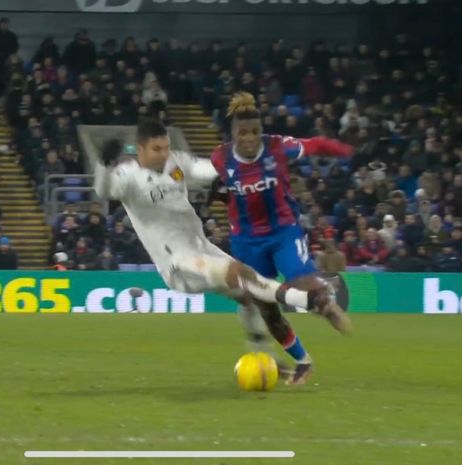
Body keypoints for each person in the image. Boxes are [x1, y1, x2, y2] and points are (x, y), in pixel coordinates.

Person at [94, 119, 340, 385]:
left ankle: (269, 359)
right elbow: (104, 190)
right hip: (178, 264)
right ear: (140, 149)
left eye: (166, 147)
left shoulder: (176, 163)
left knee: (251, 297)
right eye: (157, 149)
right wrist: (104, 165)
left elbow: (211, 169)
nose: (164, 154)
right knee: (239, 273)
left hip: (202, 248)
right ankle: (306, 300)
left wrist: (241, 171)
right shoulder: (127, 176)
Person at [210, 92, 353, 384]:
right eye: (243, 133)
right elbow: (215, 186)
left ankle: (327, 306)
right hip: (246, 242)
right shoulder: (219, 157)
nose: (250, 138)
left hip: (283, 232)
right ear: (233, 135)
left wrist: (346, 151)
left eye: (254, 132)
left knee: (303, 281)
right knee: (266, 307)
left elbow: (316, 145)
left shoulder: (277, 147)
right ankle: (302, 361)